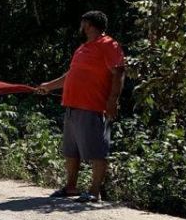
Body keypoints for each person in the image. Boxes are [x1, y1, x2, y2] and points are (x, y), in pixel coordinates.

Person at [37, 11, 126, 204]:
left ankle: (94, 192)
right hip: (73, 105)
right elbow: (71, 75)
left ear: (88, 24)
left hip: (93, 106)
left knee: (97, 151)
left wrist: (113, 100)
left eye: (82, 23)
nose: (80, 26)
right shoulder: (83, 48)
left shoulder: (109, 44)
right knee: (71, 150)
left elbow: (118, 73)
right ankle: (71, 187)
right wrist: (48, 86)